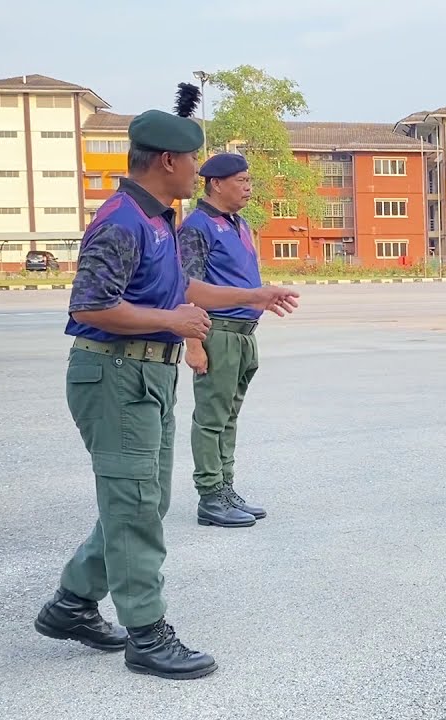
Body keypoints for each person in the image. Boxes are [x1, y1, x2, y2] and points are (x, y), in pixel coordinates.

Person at [33, 84, 300, 680]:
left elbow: (185, 291)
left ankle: (73, 603)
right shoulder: (123, 221)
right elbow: (90, 306)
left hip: (148, 374)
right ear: (167, 162)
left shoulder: (159, 218)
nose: (198, 172)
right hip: (114, 373)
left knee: (144, 500)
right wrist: (174, 323)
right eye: (194, 162)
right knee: (133, 505)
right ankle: (147, 634)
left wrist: (253, 293)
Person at [176, 153, 268, 529]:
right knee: (211, 419)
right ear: (215, 183)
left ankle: (226, 487)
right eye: (241, 180)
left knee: (229, 417)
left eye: (249, 180)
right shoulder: (197, 226)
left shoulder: (240, 224)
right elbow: (185, 288)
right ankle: (210, 495)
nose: (248, 187)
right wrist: (194, 344)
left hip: (245, 336)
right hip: (218, 332)